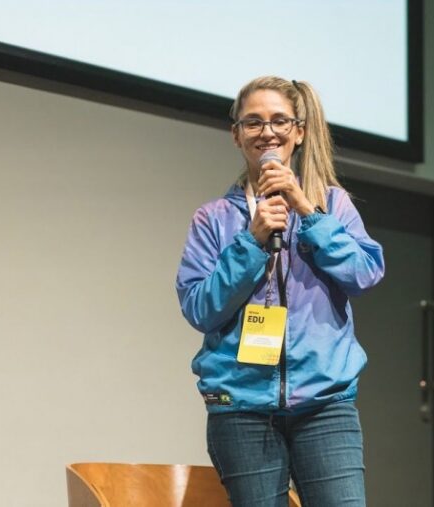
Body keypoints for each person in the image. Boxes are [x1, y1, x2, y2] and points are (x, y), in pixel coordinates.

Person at [175, 76, 385, 506]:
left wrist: (307, 210)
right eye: (253, 123)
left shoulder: (332, 204)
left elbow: (365, 273)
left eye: (278, 121)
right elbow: (199, 307)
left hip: (325, 405)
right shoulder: (213, 220)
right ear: (236, 135)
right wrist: (250, 242)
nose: (266, 132)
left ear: (299, 132)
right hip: (242, 408)